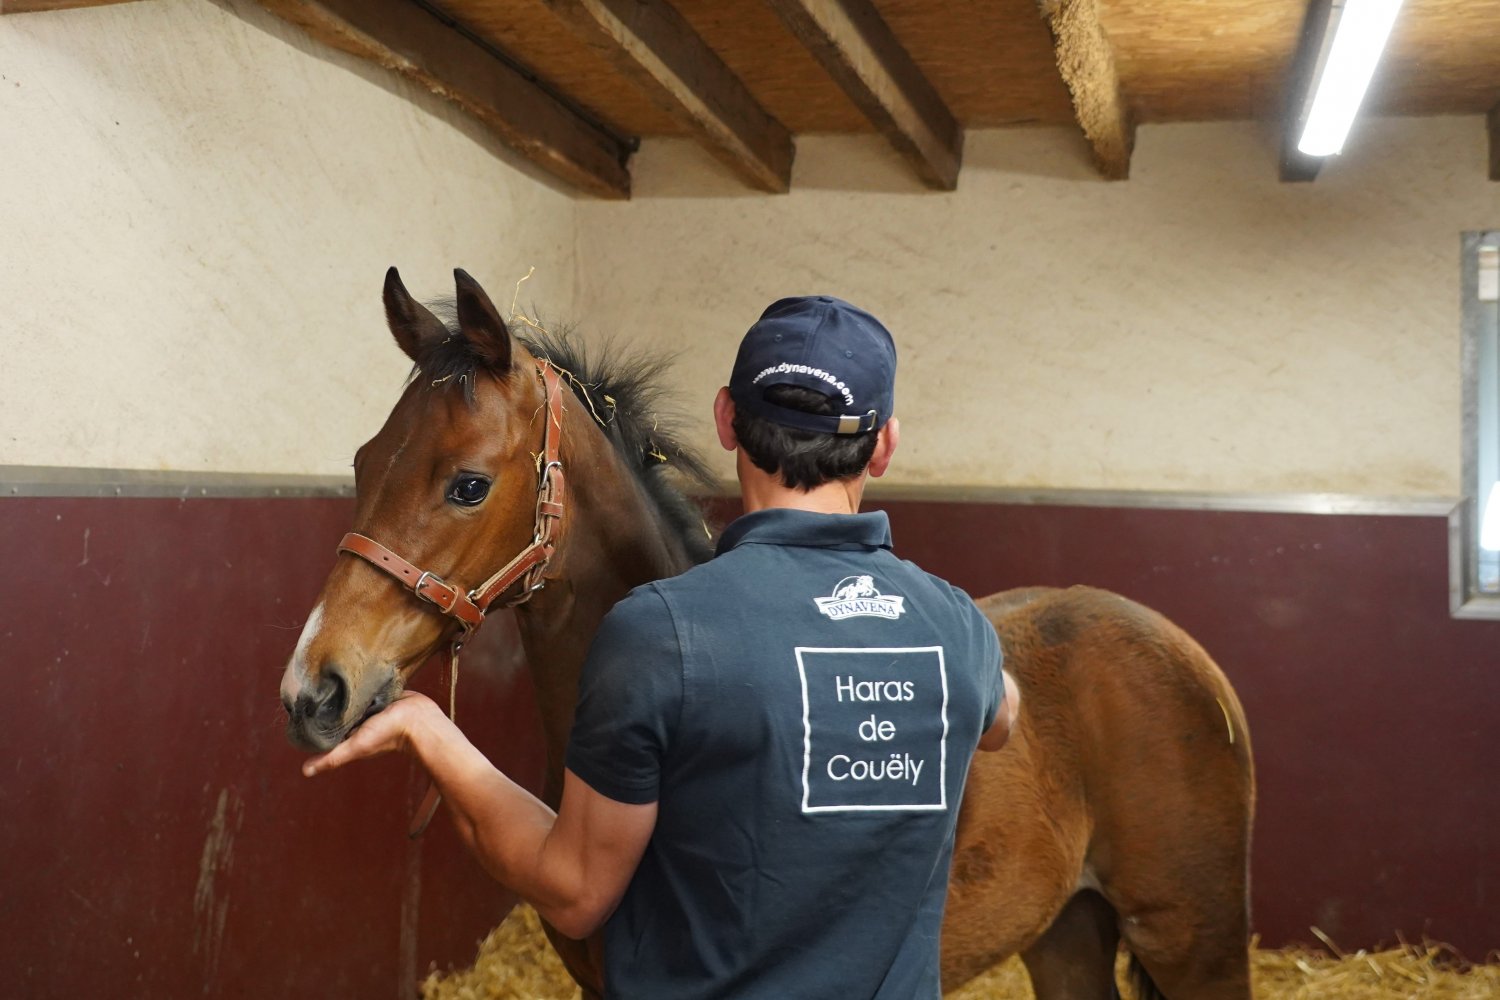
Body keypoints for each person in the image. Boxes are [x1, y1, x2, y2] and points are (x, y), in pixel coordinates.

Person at [302, 295, 1020, 999]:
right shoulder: (955, 627)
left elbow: (575, 892)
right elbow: (1003, 716)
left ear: (726, 419)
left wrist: (430, 732)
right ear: (885, 445)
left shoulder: (662, 632)